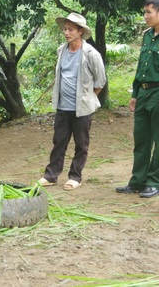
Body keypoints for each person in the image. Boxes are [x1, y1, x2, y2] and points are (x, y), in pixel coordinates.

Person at [116, 0, 159, 198]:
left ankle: (156, 182)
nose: (144, 16)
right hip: (144, 93)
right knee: (141, 140)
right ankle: (138, 181)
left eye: (148, 12)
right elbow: (141, 66)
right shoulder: (147, 35)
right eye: (144, 12)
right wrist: (135, 93)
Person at [38, 12, 106, 191]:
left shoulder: (91, 53)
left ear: (80, 31)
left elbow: (100, 81)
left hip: (82, 108)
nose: (66, 33)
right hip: (62, 106)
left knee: (81, 144)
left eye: (70, 29)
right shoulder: (62, 50)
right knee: (59, 141)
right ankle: (51, 175)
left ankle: (75, 176)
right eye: (65, 29)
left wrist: (88, 98)